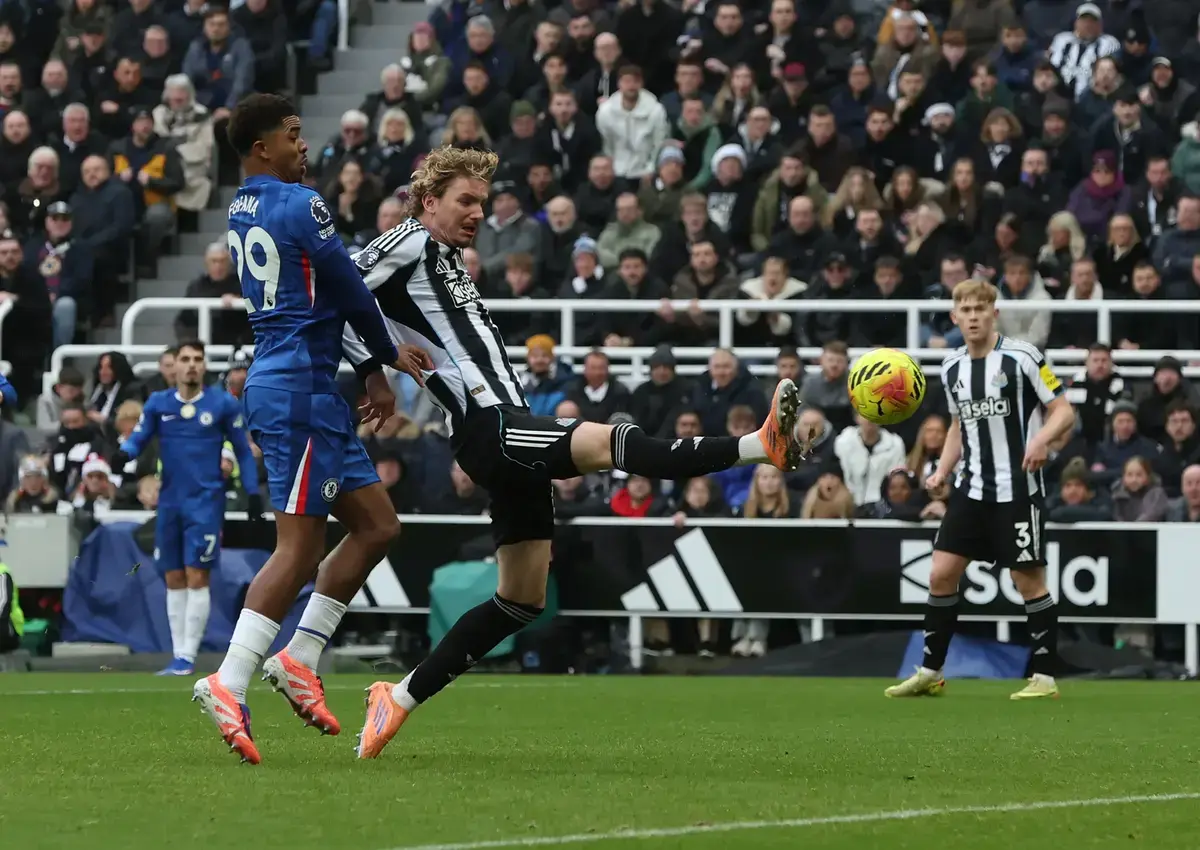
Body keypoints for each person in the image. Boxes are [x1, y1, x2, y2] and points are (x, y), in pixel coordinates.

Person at [344, 145, 810, 759]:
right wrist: (377, 364)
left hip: (504, 429)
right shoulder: (407, 240)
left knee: (521, 599)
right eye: (465, 201)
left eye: (483, 203)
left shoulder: (448, 261)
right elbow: (336, 292)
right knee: (611, 439)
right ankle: (757, 445)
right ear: (428, 203)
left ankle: (397, 698)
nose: (478, 213)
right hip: (491, 427)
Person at [192, 93, 426, 766]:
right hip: (296, 389)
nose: (304, 146)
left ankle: (300, 657)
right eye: (293, 136)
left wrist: (368, 377)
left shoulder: (243, 206)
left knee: (378, 524)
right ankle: (228, 680)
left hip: (305, 384)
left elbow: (318, 297)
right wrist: (386, 354)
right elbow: (349, 287)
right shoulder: (304, 204)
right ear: (262, 147)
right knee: (297, 546)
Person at [886, 278, 1076, 701]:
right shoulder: (951, 366)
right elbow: (957, 426)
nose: (972, 317)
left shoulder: (1024, 357)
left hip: (1018, 488)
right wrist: (941, 472)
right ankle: (931, 671)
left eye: (980, 309)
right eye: (965, 311)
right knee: (940, 573)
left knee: (1028, 582)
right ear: (954, 317)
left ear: (994, 313)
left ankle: (1044, 677)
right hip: (971, 489)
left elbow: (1063, 410)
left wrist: (1042, 439)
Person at [111, 340, 261, 676]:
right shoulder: (159, 403)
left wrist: (252, 493)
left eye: (197, 359)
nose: (192, 365)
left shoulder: (221, 404)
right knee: (173, 576)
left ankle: (187, 656)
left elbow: (242, 449)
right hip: (170, 503)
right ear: (174, 366)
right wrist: (125, 454)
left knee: (197, 575)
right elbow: (140, 436)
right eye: (185, 359)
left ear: (204, 366)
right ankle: (178, 654)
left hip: (205, 504)